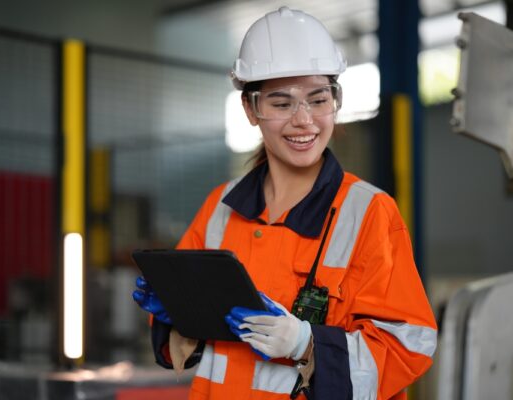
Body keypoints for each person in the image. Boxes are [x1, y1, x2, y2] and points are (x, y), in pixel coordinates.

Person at [133, 6, 437, 400]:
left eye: (317, 99)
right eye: (281, 104)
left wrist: (306, 344)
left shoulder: (370, 213)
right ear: (251, 109)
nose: (304, 120)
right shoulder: (220, 207)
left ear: (335, 100)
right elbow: (192, 348)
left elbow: (408, 348)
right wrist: (179, 313)